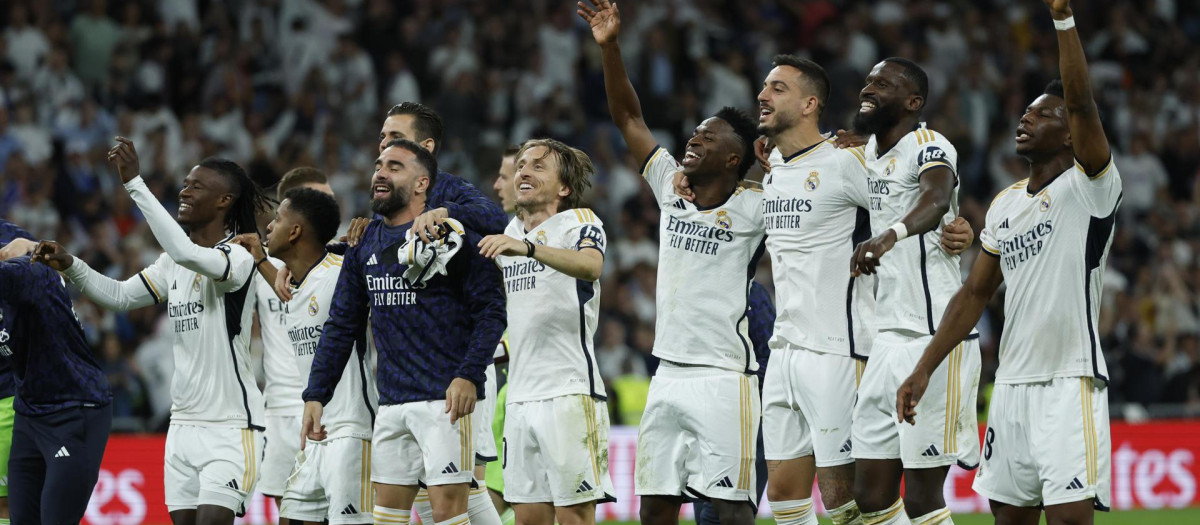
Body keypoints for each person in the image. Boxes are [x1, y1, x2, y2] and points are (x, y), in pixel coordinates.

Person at [897, 2, 1119, 524]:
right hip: (1013, 388)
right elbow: (974, 294)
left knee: (1068, 520)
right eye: (1026, 111)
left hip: (1069, 380)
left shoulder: (1091, 187)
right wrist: (924, 368)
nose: (1026, 117)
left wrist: (1063, 20)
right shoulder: (1005, 203)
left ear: (1071, 134)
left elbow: (1084, 104)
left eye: (1044, 114)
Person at [581, 2, 765, 524]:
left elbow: (813, 199)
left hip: (726, 376)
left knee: (730, 512)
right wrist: (610, 47)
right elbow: (629, 118)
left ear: (733, 160)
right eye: (696, 132)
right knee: (655, 508)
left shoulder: (755, 207)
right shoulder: (670, 189)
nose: (694, 138)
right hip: (666, 373)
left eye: (709, 137)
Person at [33, 137, 271, 525]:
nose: (185, 191)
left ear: (224, 201)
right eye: (186, 183)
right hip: (181, 428)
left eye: (197, 186)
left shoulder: (239, 256)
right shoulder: (170, 264)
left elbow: (187, 254)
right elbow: (121, 296)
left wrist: (135, 184)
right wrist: (71, 264)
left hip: (230, 428)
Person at [301, 139, 506, 525]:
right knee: (387, 521)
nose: (380, 172)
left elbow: (492, 311)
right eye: (379, 164)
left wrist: (468, 374)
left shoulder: (452, 237)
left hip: (443, 400)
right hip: (391, 403)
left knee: (448, 517)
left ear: (421, 183)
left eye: (395, 167)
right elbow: (342, 324)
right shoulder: (365, 243)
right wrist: (316, 394)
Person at [842, 57, 981, 525]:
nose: (869, 86)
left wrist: (888, 235)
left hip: (934, 336)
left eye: (883, 83)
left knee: (922, 497)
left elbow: (937, 197)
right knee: (871, 495)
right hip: (887, 338)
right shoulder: (868, 156)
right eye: (868, 80)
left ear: (912, 102)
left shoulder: (929, 143)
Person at [477, 138, 615, 525]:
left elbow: (591, 267)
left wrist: (527, 249)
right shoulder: (510, 232)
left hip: (568, 392)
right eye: (521, 164)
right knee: (529, 518)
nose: (523, 170)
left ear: (564, 187)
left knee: (573, 517)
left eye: (539, 166)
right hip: (519, 398)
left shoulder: (579, 223)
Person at [236, 188, 378, 525]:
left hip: (351, 432)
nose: (269, 227)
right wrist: (260, 261)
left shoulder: (341, 273)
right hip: (316, 435)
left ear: (296, 231)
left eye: (278, 219)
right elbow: (297, 297)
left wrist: (371, 235)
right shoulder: (299, 282)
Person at [0, 221, 110, 524]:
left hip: (73, 410)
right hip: (28, 413)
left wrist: (25, 246)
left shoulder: (31, 275)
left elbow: (29, 263)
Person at [693, 281, 773, 525]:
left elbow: (770, 358)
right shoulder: (695, 290)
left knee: (722, 513)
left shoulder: (750, 292)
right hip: (702, 414)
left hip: (747, 415)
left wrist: (732, 388)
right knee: (706, 510)